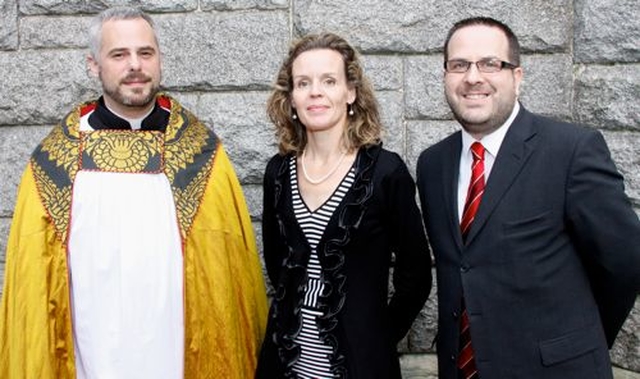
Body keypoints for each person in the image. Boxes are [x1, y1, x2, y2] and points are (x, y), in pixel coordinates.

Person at [0, 6, 268, 378]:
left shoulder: (203, 156)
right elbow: (33, 286)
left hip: (181, 356)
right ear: (94, 65)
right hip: (90, 358)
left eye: (145, 53)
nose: (135, 65)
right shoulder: (55, 166)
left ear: (159, 60)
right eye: (119, 54)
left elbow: (230, 282)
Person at [416, 16, 640, 379]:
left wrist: (580, 340)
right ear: (446, 76)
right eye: (459, 65)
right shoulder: (432, 165)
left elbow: (625, 263)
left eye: (490, 63)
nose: (473, 77)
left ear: (516, 77)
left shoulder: (571, 151)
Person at [255, 32, 432, 378]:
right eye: (303, 83)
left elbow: (417, 277)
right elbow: (278, 266)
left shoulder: (386, 172)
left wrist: (376, 336)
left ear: (350, 92)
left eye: (329, 80)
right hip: (285, 364)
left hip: (361, 366)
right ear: (291, 98)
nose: (315, 92)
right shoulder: (277, 172)